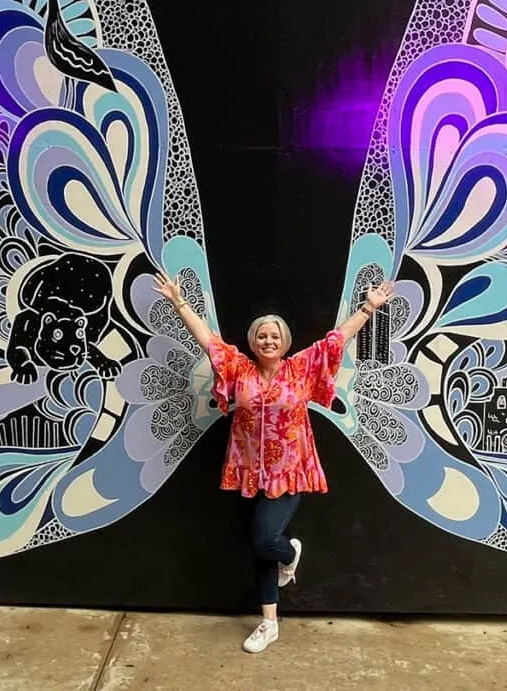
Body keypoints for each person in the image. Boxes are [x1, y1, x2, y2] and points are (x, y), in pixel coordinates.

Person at [152, 271, 395, 653]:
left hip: (289, 470)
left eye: (275, 336)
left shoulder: (300, 369)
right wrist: (179, 303)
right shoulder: (238, 369)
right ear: (253, 342)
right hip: (248, 471)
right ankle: (269, 624)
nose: (268, 340)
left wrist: (367, 308)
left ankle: (291, 553)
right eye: (262, 335)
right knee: (257, 547)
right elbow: (209, 342)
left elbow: (336, 340)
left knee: (267, 540)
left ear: (284, 343)